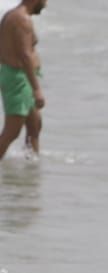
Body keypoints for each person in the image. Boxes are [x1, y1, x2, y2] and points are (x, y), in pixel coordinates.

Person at [0, 0, 46, 160]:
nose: (46, 4)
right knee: (12, 131)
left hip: (21, 77)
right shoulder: (21, 20)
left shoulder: (16, 16)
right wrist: (37, 89)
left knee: (35, 126)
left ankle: (31, 169)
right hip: (18, 78)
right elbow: (25, 56)